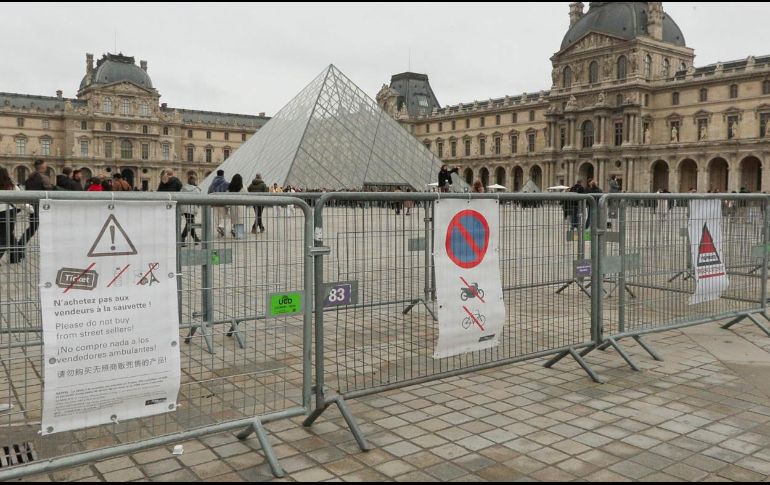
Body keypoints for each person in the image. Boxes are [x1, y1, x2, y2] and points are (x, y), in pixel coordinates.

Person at [15, 160, 55, 262]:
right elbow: (50, 192)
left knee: (32, 228)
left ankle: (19, 248)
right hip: (43, 207)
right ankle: (19, 248)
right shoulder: (44, 178)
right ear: (41, 167)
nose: (46, 167)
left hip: (33, 206)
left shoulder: (29, 178)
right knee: (45, 228)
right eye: (45, 165)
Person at [0, 167, 21, 263]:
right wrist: (30, 209)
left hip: (6, 211)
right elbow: (21, 199)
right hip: (8, 212)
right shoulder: (11, 186)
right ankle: (16, 255)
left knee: (7, 236)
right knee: (6, 237)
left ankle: (16, 255)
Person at [180, 175, 202, 246]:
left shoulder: (183, 188)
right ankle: (182, 237)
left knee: (190, 223)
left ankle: (195, 238)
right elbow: (199, 198)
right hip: (192, 208)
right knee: (190, 223)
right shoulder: (196, 189)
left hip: (185, 208)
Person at [208, 170, 230, 237]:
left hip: (215, 203)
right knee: (226, 217)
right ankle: (221, 226)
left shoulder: (212, 184)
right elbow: (228, 193)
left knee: (217, 218)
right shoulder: (226, 183)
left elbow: (209, 192)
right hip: (222, 203)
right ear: (223, 174)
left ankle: (219, 232)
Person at [227, 174, 245, 238]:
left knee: (235, 220)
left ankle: (234, 230)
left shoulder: (230, 187)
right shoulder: (243, 187)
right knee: (240, 220)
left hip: (233, 206)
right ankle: (239, 235)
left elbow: (227, 197)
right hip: (240, 206)